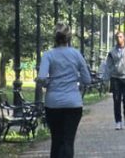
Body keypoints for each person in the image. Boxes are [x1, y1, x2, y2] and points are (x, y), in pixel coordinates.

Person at [37, 23, 91, 158]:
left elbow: (42, 77)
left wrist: (48, 83)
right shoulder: (76, 54)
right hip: (73, 103)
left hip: (53, 103)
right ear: (69, 38)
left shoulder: (48, 55)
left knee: (56, 139)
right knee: (68, 141)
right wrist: (75, 80)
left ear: (55, 38)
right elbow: (87, 79)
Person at [101, 31, 125, 130]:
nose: (119, 39)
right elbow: (108, 67)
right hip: (115, 78)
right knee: (116, 100)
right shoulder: (112, 52)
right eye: (117, 37)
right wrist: (106, 80)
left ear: (124, 38)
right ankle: (118, 121)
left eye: (121, 37)